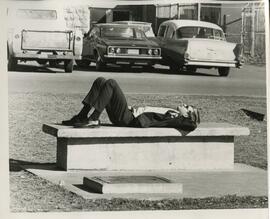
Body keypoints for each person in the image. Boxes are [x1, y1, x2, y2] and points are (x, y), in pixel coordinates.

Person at [62, 77, 200, 131]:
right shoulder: (172, 113)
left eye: (187, 107)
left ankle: (93, 119)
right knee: (100, 81)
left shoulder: (177, 118)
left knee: (111, 83)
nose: (184, 104)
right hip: (128, 113)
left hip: (130, 120)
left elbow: (192, 125)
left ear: (188, 115)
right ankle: (82, 116)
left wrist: (188, 118)